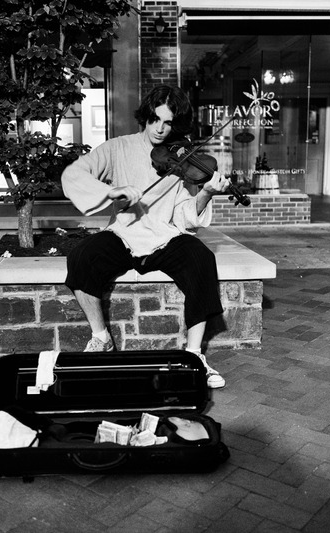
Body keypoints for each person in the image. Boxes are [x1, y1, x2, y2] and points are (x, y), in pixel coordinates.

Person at [61, 85, 229, 389]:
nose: (161, 129)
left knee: (202, 258)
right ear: (145, 117)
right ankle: (101, 337)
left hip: (165, 235)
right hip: (124, 233)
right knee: (82, 256)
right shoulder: (117, 148)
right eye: (155, 120)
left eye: (168, 123)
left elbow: (185, 216)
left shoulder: (181, 158)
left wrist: (205, 192)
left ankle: (194, 355)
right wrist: (111, 191)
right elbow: (74, 174)